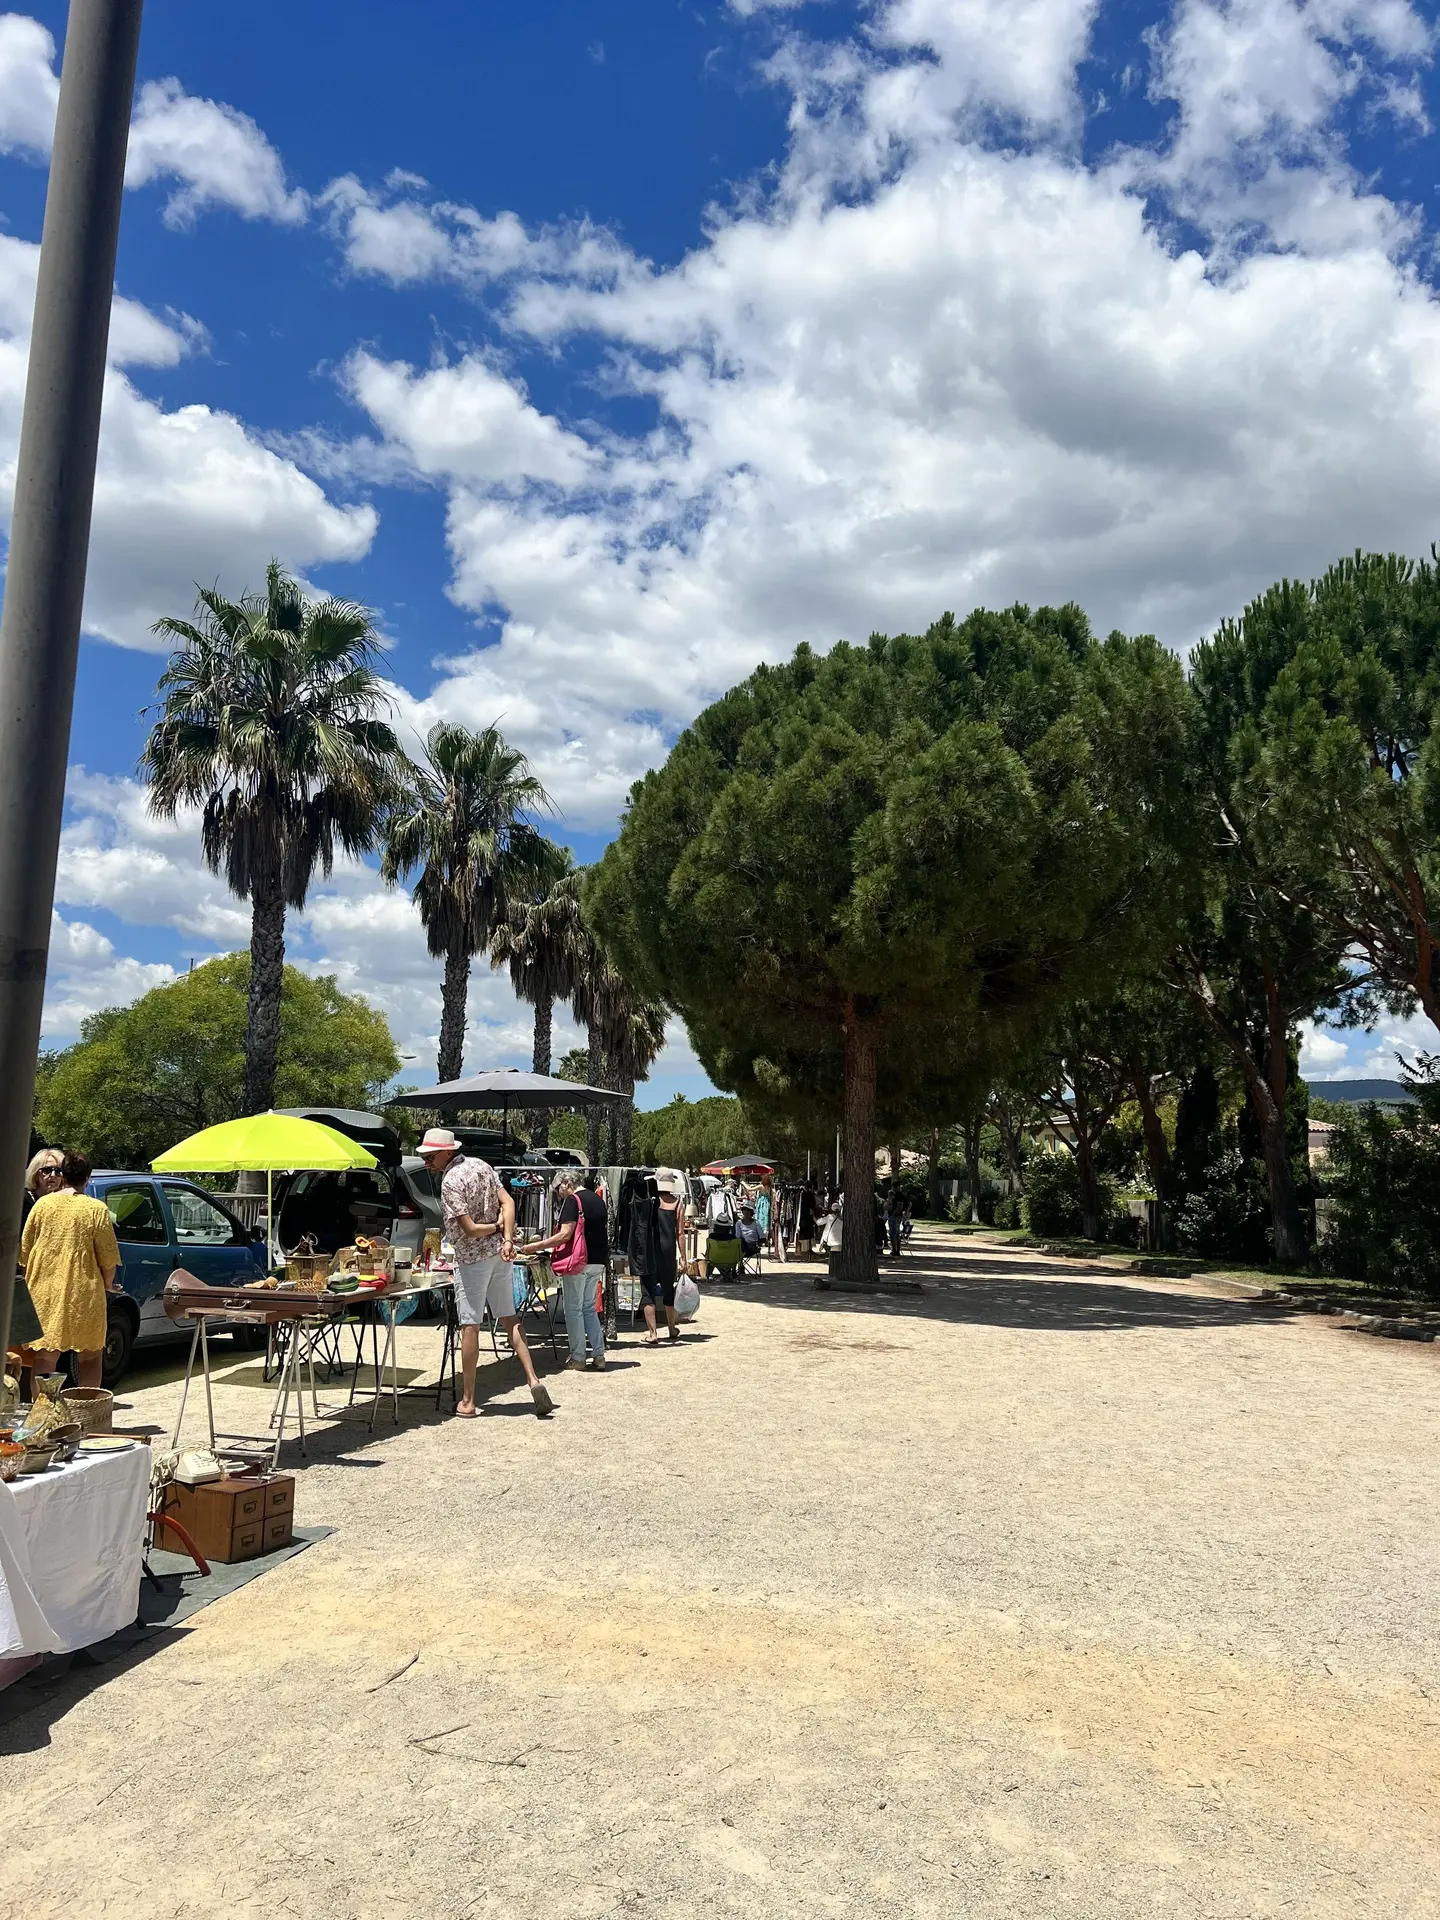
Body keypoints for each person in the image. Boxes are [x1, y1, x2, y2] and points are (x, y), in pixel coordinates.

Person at [418, 1127, 554, 1419]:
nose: (427, 1162)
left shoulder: (451, 1181)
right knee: (509, 1318)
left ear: (446, 1152)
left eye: (430, 1156)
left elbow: (469, 1230)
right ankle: (533, 1379)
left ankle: (468, 1400)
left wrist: (494, 1228)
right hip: (498, 1255)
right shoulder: (482, 1166)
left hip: (472, 1259)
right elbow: (509, 1203)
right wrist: (506, 1237)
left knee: (470, 1324)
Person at [17, 1151, 120, 1388]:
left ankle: (42, 1413)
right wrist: (108, 1284)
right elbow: (108, 1257)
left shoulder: (42, 1204)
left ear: (63, 1175)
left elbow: (25, 1251)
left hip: (44, 1291)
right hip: (84, 1292)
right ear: (88, 1178)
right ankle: (87, 1412)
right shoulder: (96, 1209)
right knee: (90, 1354)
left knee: (45, 1355)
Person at [521, 1169, 608, 1373]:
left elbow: (565, 1235)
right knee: (589, 1308)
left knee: (574, 1309)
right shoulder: (597, 1200)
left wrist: (534, 1247)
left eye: (559, 1187)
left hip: (579, 1261)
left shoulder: (573, 1201)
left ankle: (578, 1357)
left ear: (568, 1183)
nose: (558, 1193)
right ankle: (599, 1354)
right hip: (597, 1260)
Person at [645, 1169, 687, 1343]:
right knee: (669, 1291)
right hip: (668, 1252)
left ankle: (653, 1333)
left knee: (649, 1292)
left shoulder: (650, 1202)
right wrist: (683, 1257)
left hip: (650, 1251)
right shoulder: (678, 1204)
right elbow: (680, 1233)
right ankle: (671, 1329)